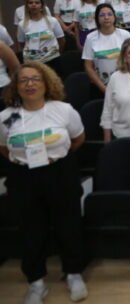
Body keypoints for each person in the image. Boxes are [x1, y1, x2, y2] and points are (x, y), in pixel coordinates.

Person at [0, 62, 88, 303]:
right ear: (15, 86)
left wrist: (54, 157)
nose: (30, 84)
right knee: (30, 229)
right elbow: (4, 147)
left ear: (46, 83)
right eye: (23, 80)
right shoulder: (7, 117)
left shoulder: (63, 110)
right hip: (23, 177)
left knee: (68, 224)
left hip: (59, 173)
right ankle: (36, 282)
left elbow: (78, 139)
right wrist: (25, 160)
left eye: (35, 79)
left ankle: (73, 273)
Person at [82, 3, 130, 93]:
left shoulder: (125, 35)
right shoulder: (90, 38)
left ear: (114, 17)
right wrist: (104, 89)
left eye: (109, 14)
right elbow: (88, 66)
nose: (106, 17)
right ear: (97, 18)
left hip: (125, 84)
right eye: (102, 15)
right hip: (100, 86)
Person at [17, 0, 65, 74]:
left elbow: (61, 40)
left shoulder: (52, 21)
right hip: (31, 62)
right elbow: (21, 43)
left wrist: (55, 53)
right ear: (27, 6)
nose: (34, 5)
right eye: (30, 3)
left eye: (37, 3)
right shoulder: (22, 24)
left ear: (42, 6)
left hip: (51, 60)